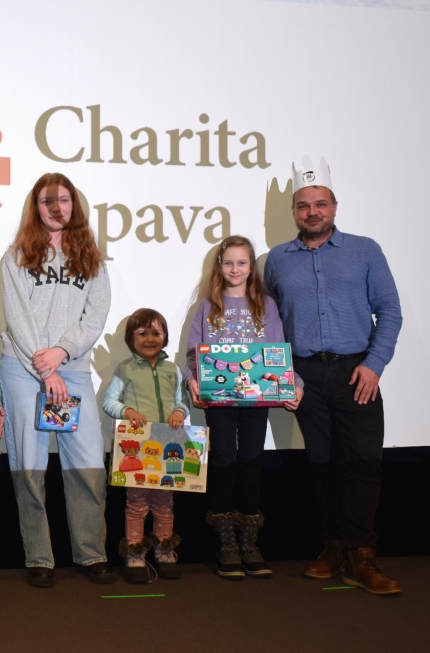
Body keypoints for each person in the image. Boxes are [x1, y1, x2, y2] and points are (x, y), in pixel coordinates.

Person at [264, 156, 403, 595]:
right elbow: (270, 324)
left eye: (320, 204)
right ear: (294, 211)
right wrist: (282, 377)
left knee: (362, 464)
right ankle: (334, 548)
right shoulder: (276, 260)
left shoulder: (365, 250)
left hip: (356, 372)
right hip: (305, 375)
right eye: (303, 206)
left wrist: (374, 364)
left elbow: (390, 311)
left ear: (335, 207)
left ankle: (363, 554)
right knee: (321, 464)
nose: (313, 212)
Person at [0, 172, 113, 588]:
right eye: (47, 201)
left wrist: (62, 353)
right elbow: (18, 319)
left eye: (63, 200)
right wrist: (45, 369)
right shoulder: (15, 257)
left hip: (73, 370)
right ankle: (40, 557)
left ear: (73, 205)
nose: (55, 208)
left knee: (87, 463)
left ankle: (91, 553)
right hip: (22, 369)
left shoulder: (91, 259)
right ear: (36, 207)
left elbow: (95, 315)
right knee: (29, 466)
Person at [183, 236, 303, 580]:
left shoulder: (266, 305)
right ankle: (226, 543)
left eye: (241, 263)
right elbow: (193, 353)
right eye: (228, 263)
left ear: (251, 268)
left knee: (251, 461)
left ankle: (249, 541)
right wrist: (191, 380)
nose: (235, 269)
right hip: (219, 399)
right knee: (223, 460)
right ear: (219, 267)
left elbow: (278, 351)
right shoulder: (208, 306)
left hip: (256, 398)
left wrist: (295, 383)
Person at [102, 309, 189, 583]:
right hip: (136, 450)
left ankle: (164, 551)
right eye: (142, 333)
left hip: (167, 449)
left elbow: (182, 401)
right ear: (131, 338)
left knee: (164, 504)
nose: (150, 339)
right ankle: (135, 555)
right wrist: (126, 411)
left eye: (156, 333)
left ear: (165, 337)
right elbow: (109, 401)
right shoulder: (125, 368)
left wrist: (180, 412)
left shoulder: (172, 370)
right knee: (136, 504)